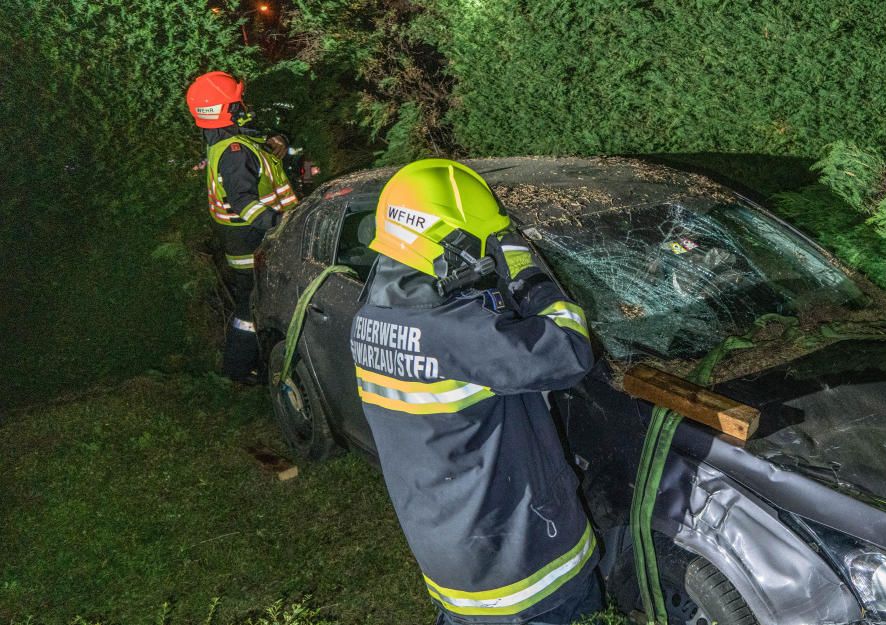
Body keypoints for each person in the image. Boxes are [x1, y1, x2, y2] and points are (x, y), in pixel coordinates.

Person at [349, 159, 601, 624]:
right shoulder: (458, 333)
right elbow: (569, 349)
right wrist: (528, 275)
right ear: (449, 243)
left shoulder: (369, 320)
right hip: (524, 570)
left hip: (450, 550)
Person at [185, 71, 297, 384]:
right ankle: (238, 373)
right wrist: (281, 223)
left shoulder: (225, 141)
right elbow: (242, 202)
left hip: (248, 242)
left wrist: (279, 141)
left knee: (255, 306)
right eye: (238, 101)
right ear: (228, 109)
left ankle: (250, 368)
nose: (244, 104)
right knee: (250, 311)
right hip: (253, 244)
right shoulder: (234, 154)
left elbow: (256, 147)